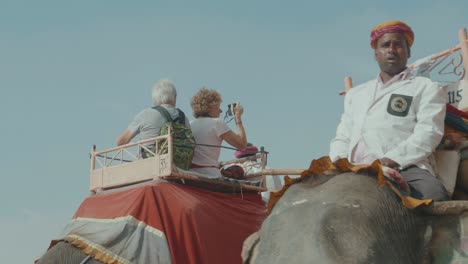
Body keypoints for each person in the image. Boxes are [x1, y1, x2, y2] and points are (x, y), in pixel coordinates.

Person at [329, 20, 449, 202]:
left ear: (408, 52)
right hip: (353, 168)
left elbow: (429, 133)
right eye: (385, 45)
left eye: (398, 45)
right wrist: (339, 160)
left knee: (434, 196)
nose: (391, 50)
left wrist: (390, 160)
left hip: (405, 167)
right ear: (376, 54)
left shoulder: (426, 87)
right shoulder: (356, 94)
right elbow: (343, 136)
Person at [116, 79, 191, 156]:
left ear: (155, 98)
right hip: (178, 165)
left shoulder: (145, 115)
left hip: (149, 164)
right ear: (175, 97)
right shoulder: (184, 118)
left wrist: (136, 144)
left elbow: (121, 141)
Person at [189, 87, 248, 178]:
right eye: (218, 107)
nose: (221, 111)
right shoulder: (217, 123)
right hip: (210, 174)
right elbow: (242, 145)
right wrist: (238, 118)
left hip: (191, 172)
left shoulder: (189, 124)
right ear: (210, 107)